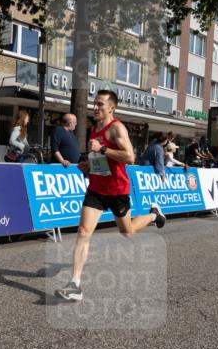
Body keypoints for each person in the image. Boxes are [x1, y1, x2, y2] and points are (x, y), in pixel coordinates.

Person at [55, 90, 166, 302]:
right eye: (94, 104)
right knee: (83, 231)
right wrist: (89, 165)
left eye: (99, 104)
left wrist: (103, 149)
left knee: (128, 232)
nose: (95, 108)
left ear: (111, 107)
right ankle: (75, 285)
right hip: (97, 188)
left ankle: (153, 214)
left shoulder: (116, 128)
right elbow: (100, 158)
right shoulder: (94, 128)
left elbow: (130, 157)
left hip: (117, 190)